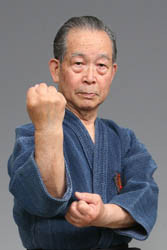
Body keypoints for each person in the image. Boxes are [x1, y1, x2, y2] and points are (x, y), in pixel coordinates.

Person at [8, 16, 158, 250]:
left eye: (101, 66)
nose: (90, 77)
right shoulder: (30, 136)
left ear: (112, 73)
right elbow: (44, 200)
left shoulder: (123, 140)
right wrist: (48, 130)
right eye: (78, 63)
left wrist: (103, 214)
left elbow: (145, 197)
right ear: (56, 69)